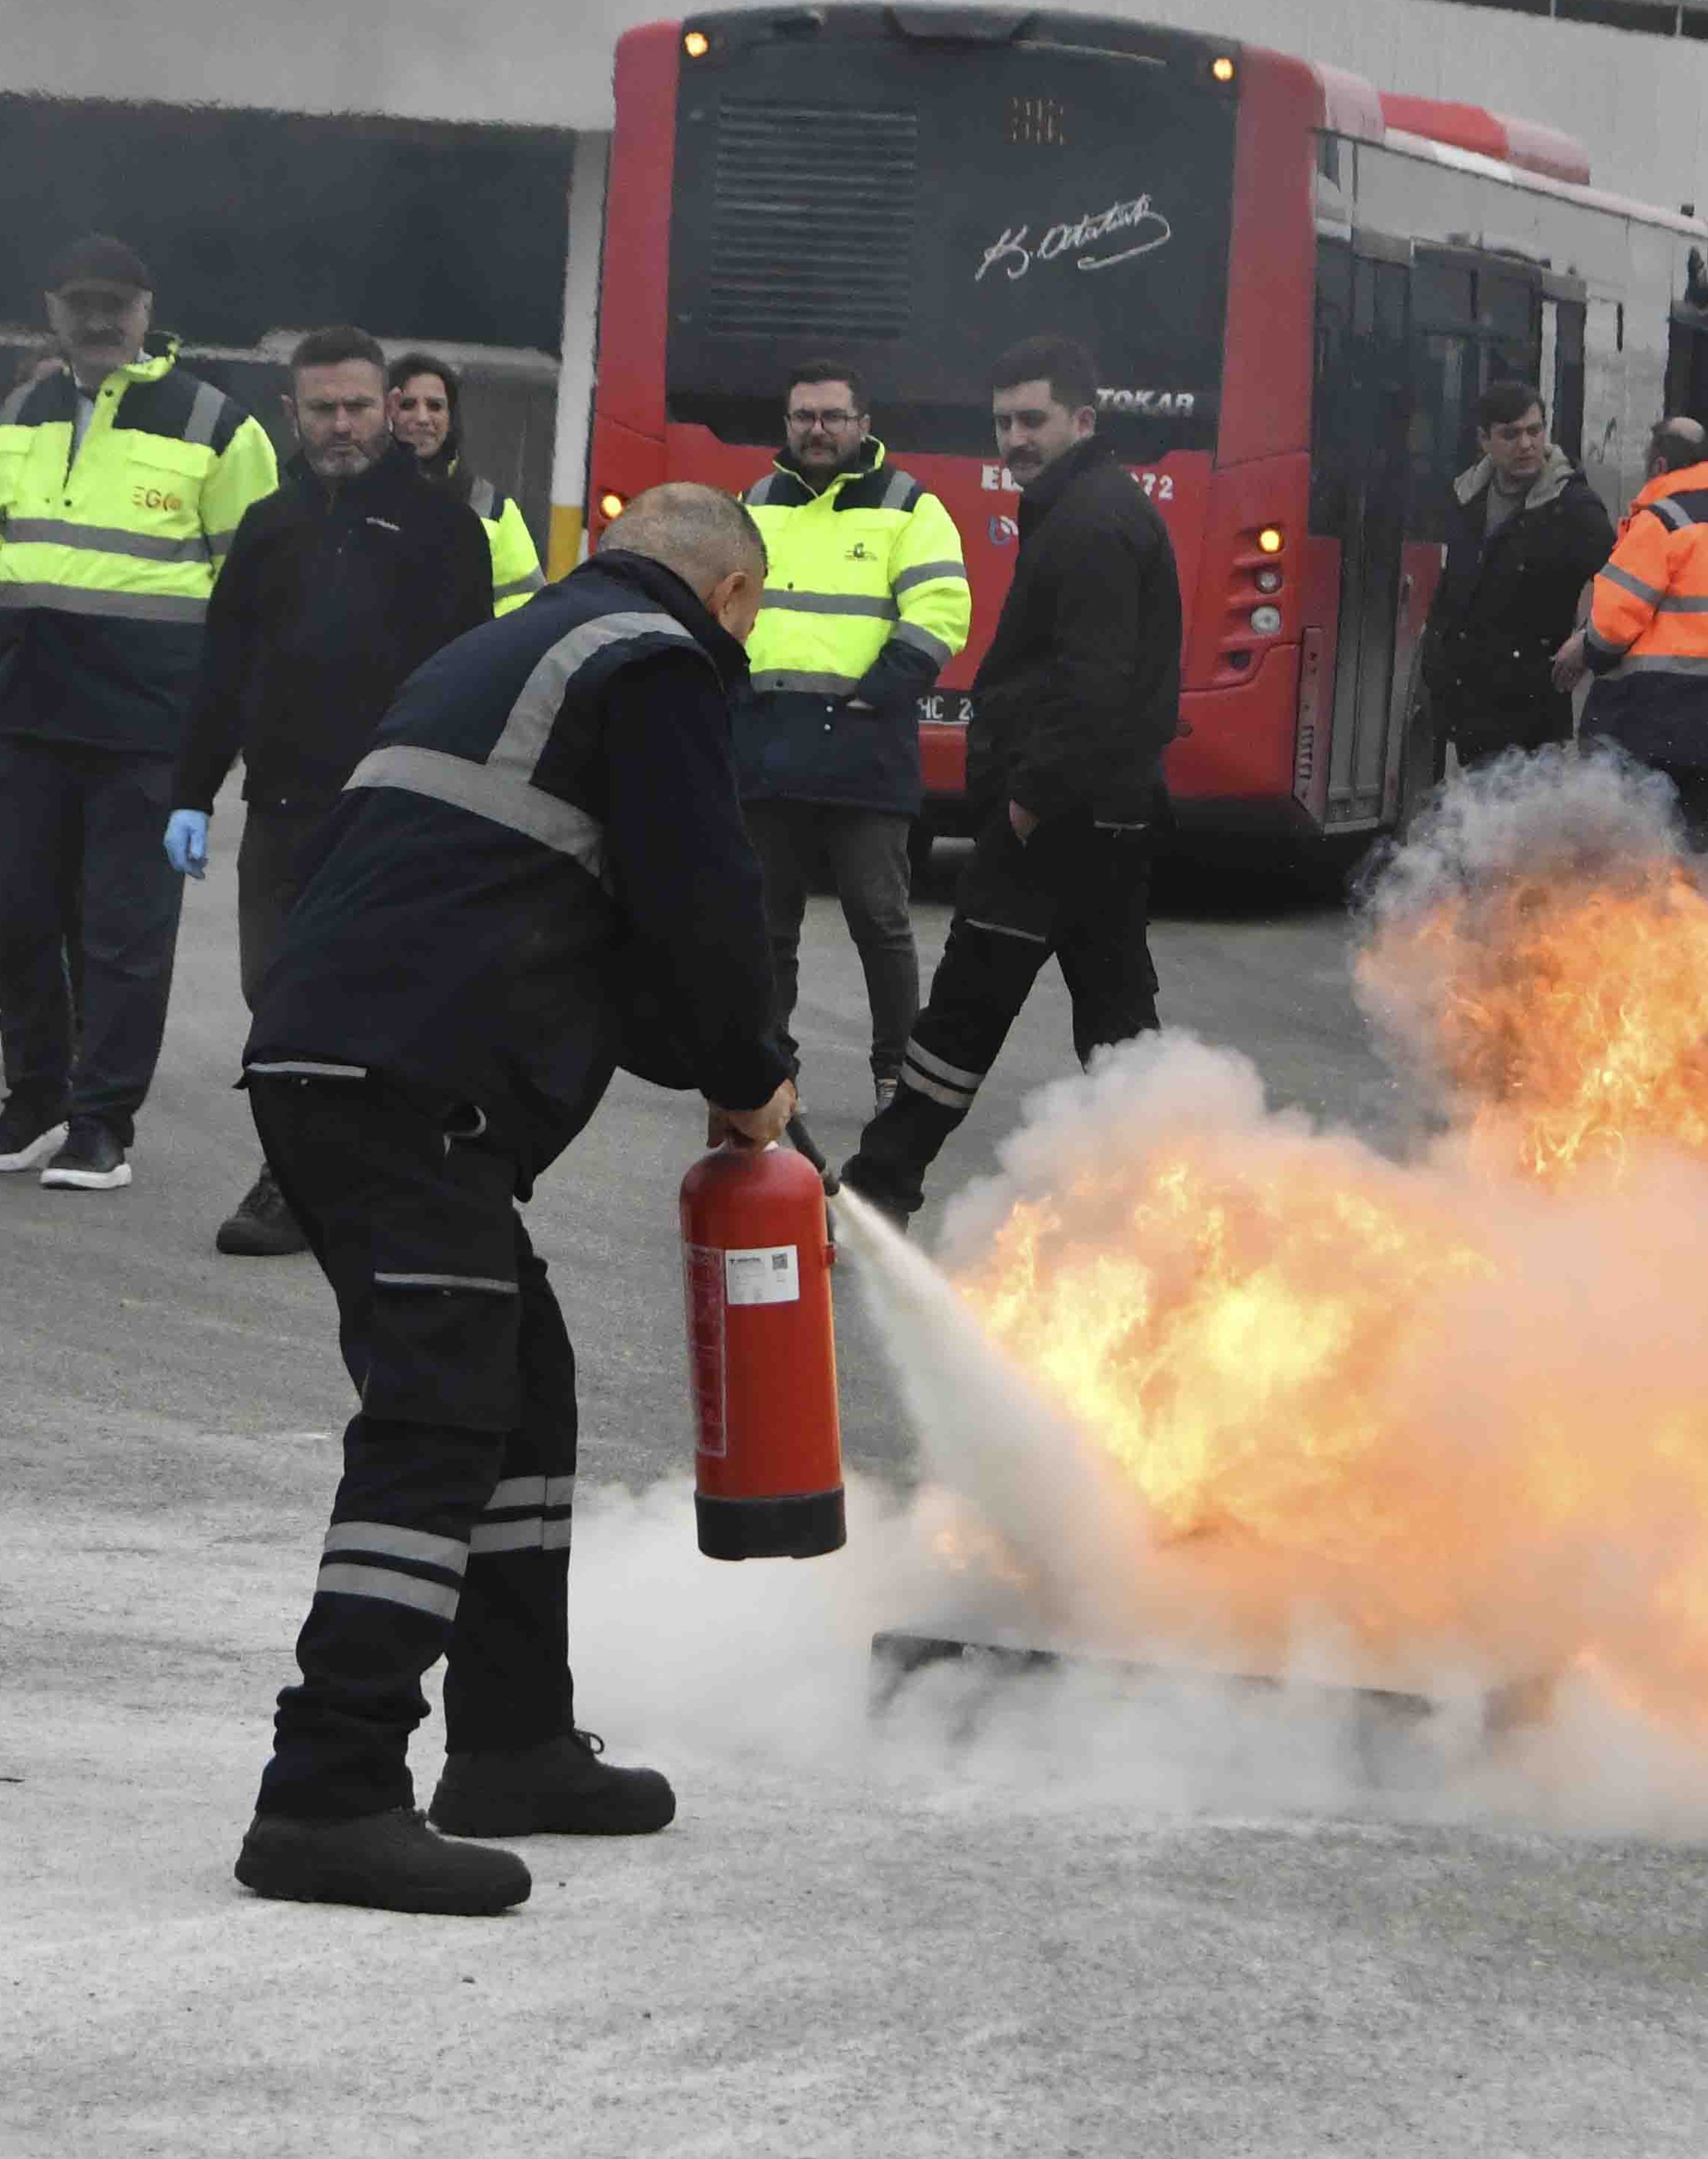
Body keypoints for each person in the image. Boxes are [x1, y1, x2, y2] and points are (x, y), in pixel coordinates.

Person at [233, 482, 797, 1919]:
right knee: (437, 1414)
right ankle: (328, 1790)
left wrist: (709, 1067)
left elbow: (587, 922)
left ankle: (512, 1742)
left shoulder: (504, 650)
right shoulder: (656, 661)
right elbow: (703, 900)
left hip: (336, 1060)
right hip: (409, 1084)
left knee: (522, 1385)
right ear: (729, 592)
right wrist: (755, 1075)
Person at [0, 235, 281, 1194]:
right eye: (80, 301)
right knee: (18, 920)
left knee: (127, 934)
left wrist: (236, 722)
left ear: (147, 309)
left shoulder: (217, 425)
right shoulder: (15, 416)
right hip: (25, 715)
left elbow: (255, 591)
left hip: (150, 729)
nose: (98, 318)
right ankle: (33, 1104)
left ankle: (101, 1124)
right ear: (51, 311)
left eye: (115, 302)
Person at [169, 328, 497, 1256]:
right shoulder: (269, 529)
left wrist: (453, 808)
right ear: (292, 414)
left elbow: (468, 681)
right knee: (272, 1000)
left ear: (390, 408)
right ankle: (314, 1163)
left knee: (374, 1003)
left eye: (359, 405)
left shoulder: (445, 532)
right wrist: (190, 793)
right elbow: (221, 671)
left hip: (390, 816)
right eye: (324, 408)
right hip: (281, 810)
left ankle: (316, 1180)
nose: (343, 425)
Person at [839, 333, 1175, 1225]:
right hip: (1102, 813)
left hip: (1058, 818)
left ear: (1083, 420)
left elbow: (1091, 685)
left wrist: (1026, 799)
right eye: (1002, 422)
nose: (1014, 438)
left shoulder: (1092, 522)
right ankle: (1159, 1197)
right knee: (1114, 1016)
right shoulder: (1084, 506)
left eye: (1033, 419)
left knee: (966, 1005)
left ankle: (877, 1188)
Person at [736, 359, 970, 1126]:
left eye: (832, 415)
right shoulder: (754, 504)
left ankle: (895, 1073)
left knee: (880, 919)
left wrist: (875, 693)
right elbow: (719, 609)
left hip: (864, 752)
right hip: (766, 754)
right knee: (767, 927)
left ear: (863, 425)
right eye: (802, 415)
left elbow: (940, 613)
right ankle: (772, 1068)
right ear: (787, 424)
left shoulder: (910, 506)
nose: (816, 429)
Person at [1550, 417, 1708, 852]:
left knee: (1633, 847)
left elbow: (1613, 627)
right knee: (1695, 843)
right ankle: (1688, 910)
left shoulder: (1663, 523)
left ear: (1659, 464)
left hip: (1650, 718)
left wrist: (1585, 650)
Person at [1421, 375, 1611, 772]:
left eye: (1534, 431)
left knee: (1526, 825)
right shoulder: (1465, 497)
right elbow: (1452, 588)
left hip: (1535, 706)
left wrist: (1585, 639)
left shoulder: (1573, 505)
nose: (1526, 444)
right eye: (1510, 434)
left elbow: (1624, 579)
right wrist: (1437, 664)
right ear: (1484, 440)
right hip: (1467, 702)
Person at [386, 351, 543, 618]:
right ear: (385, 411)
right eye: (408, 404)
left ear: (451, 419)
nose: (423, 418)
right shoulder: (354, 495)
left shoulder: (495, 508)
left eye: (435, 406)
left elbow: (525, 613)